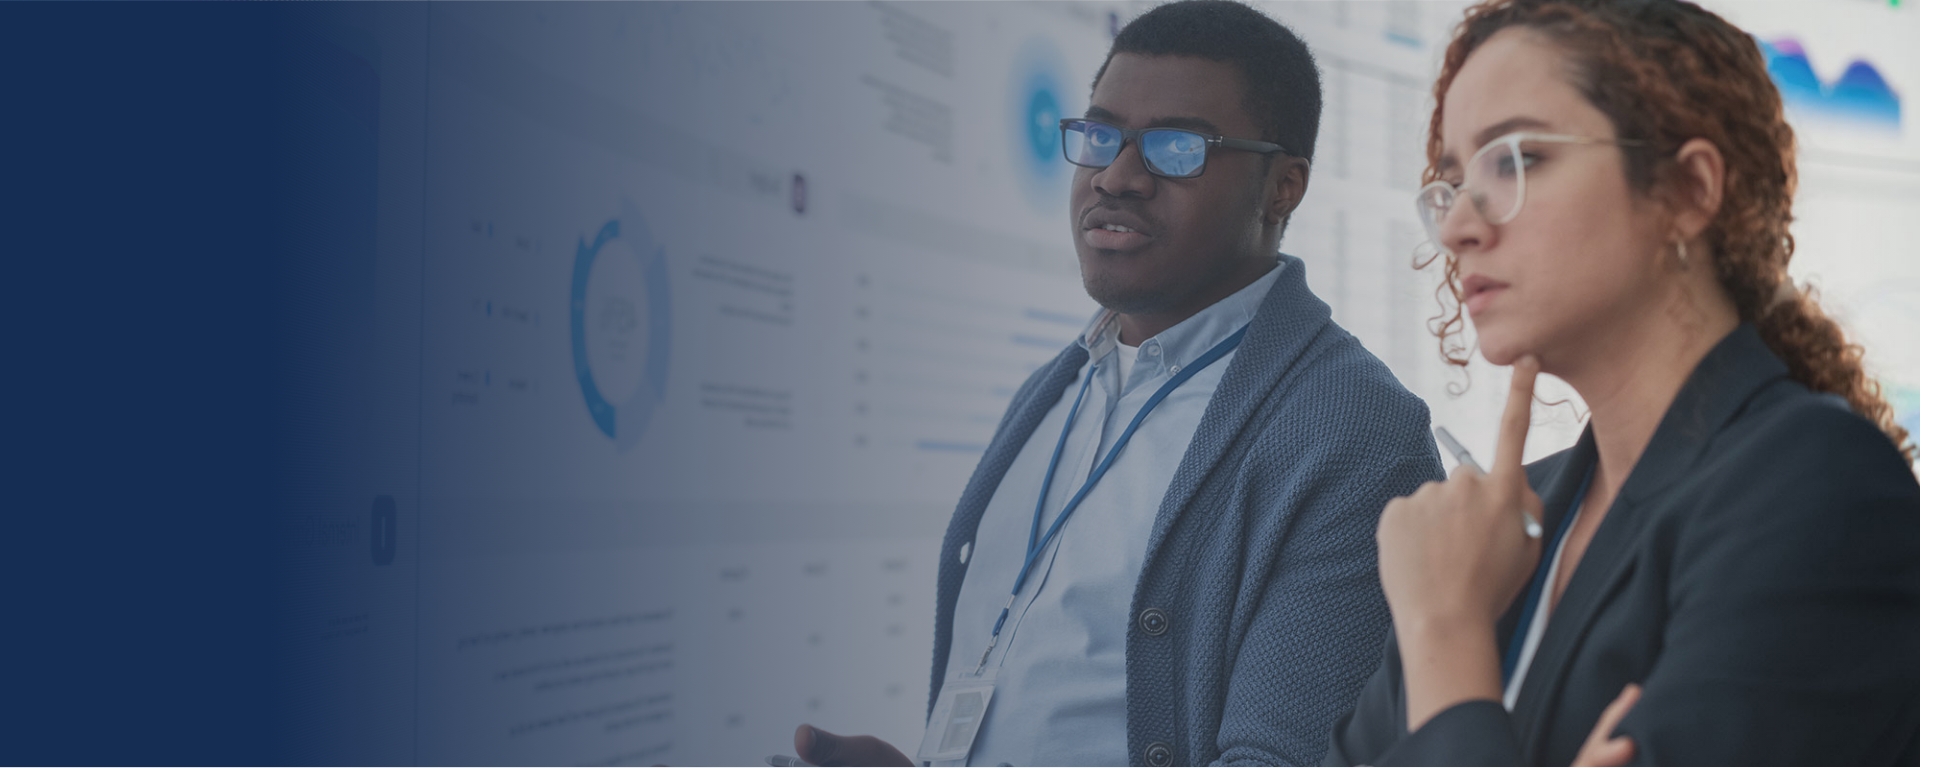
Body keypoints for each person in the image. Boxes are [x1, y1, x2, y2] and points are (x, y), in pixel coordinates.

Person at [789, 2, 1442, 765]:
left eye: (1175, 148)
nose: (1117, 176)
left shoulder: (1356, 433)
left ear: (1283, 188)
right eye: (1101, 136)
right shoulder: (1055, 389)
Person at [1326, 0, 1920, 764]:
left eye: (1516, 159)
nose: (1455, 227)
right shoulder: (1497, 526)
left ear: (1688, 190)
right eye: (1449, 183)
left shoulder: (1820, 486)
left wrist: (1446, 636)